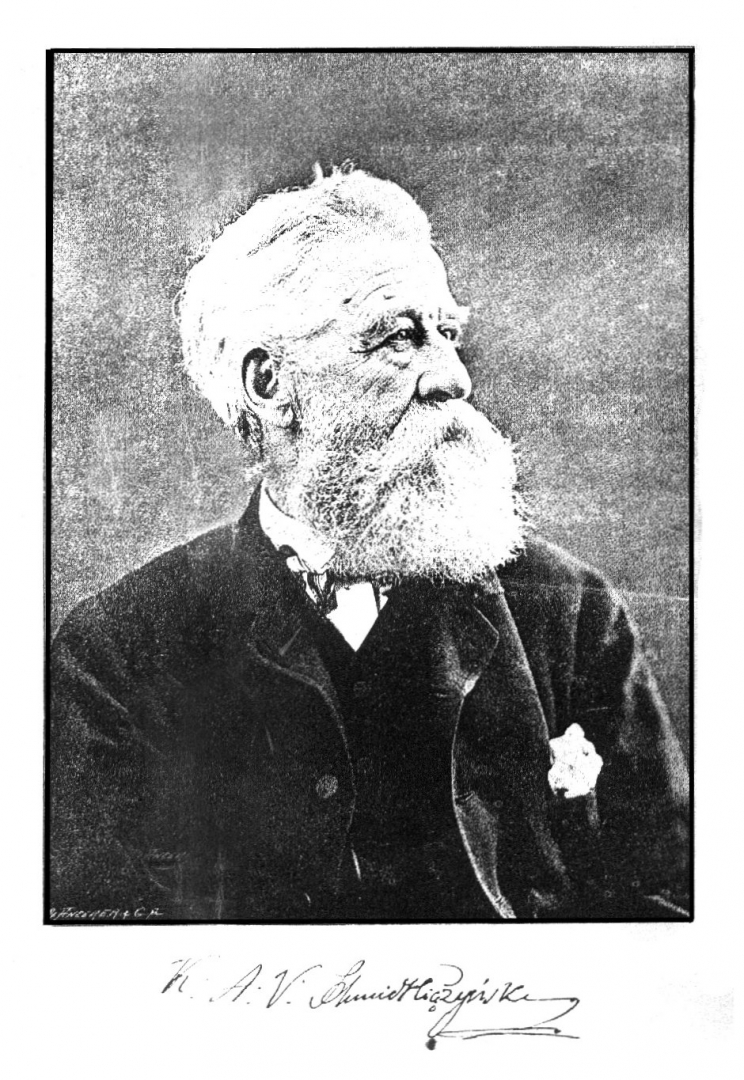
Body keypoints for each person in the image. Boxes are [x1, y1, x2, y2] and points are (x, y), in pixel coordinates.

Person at [50, 166, 689, 921]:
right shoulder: (116, 654)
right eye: (399, 338)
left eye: (447, 334)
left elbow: (669, 908)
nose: (453, 378)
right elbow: (97, 953)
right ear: (269, 384)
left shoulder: (572, 613)